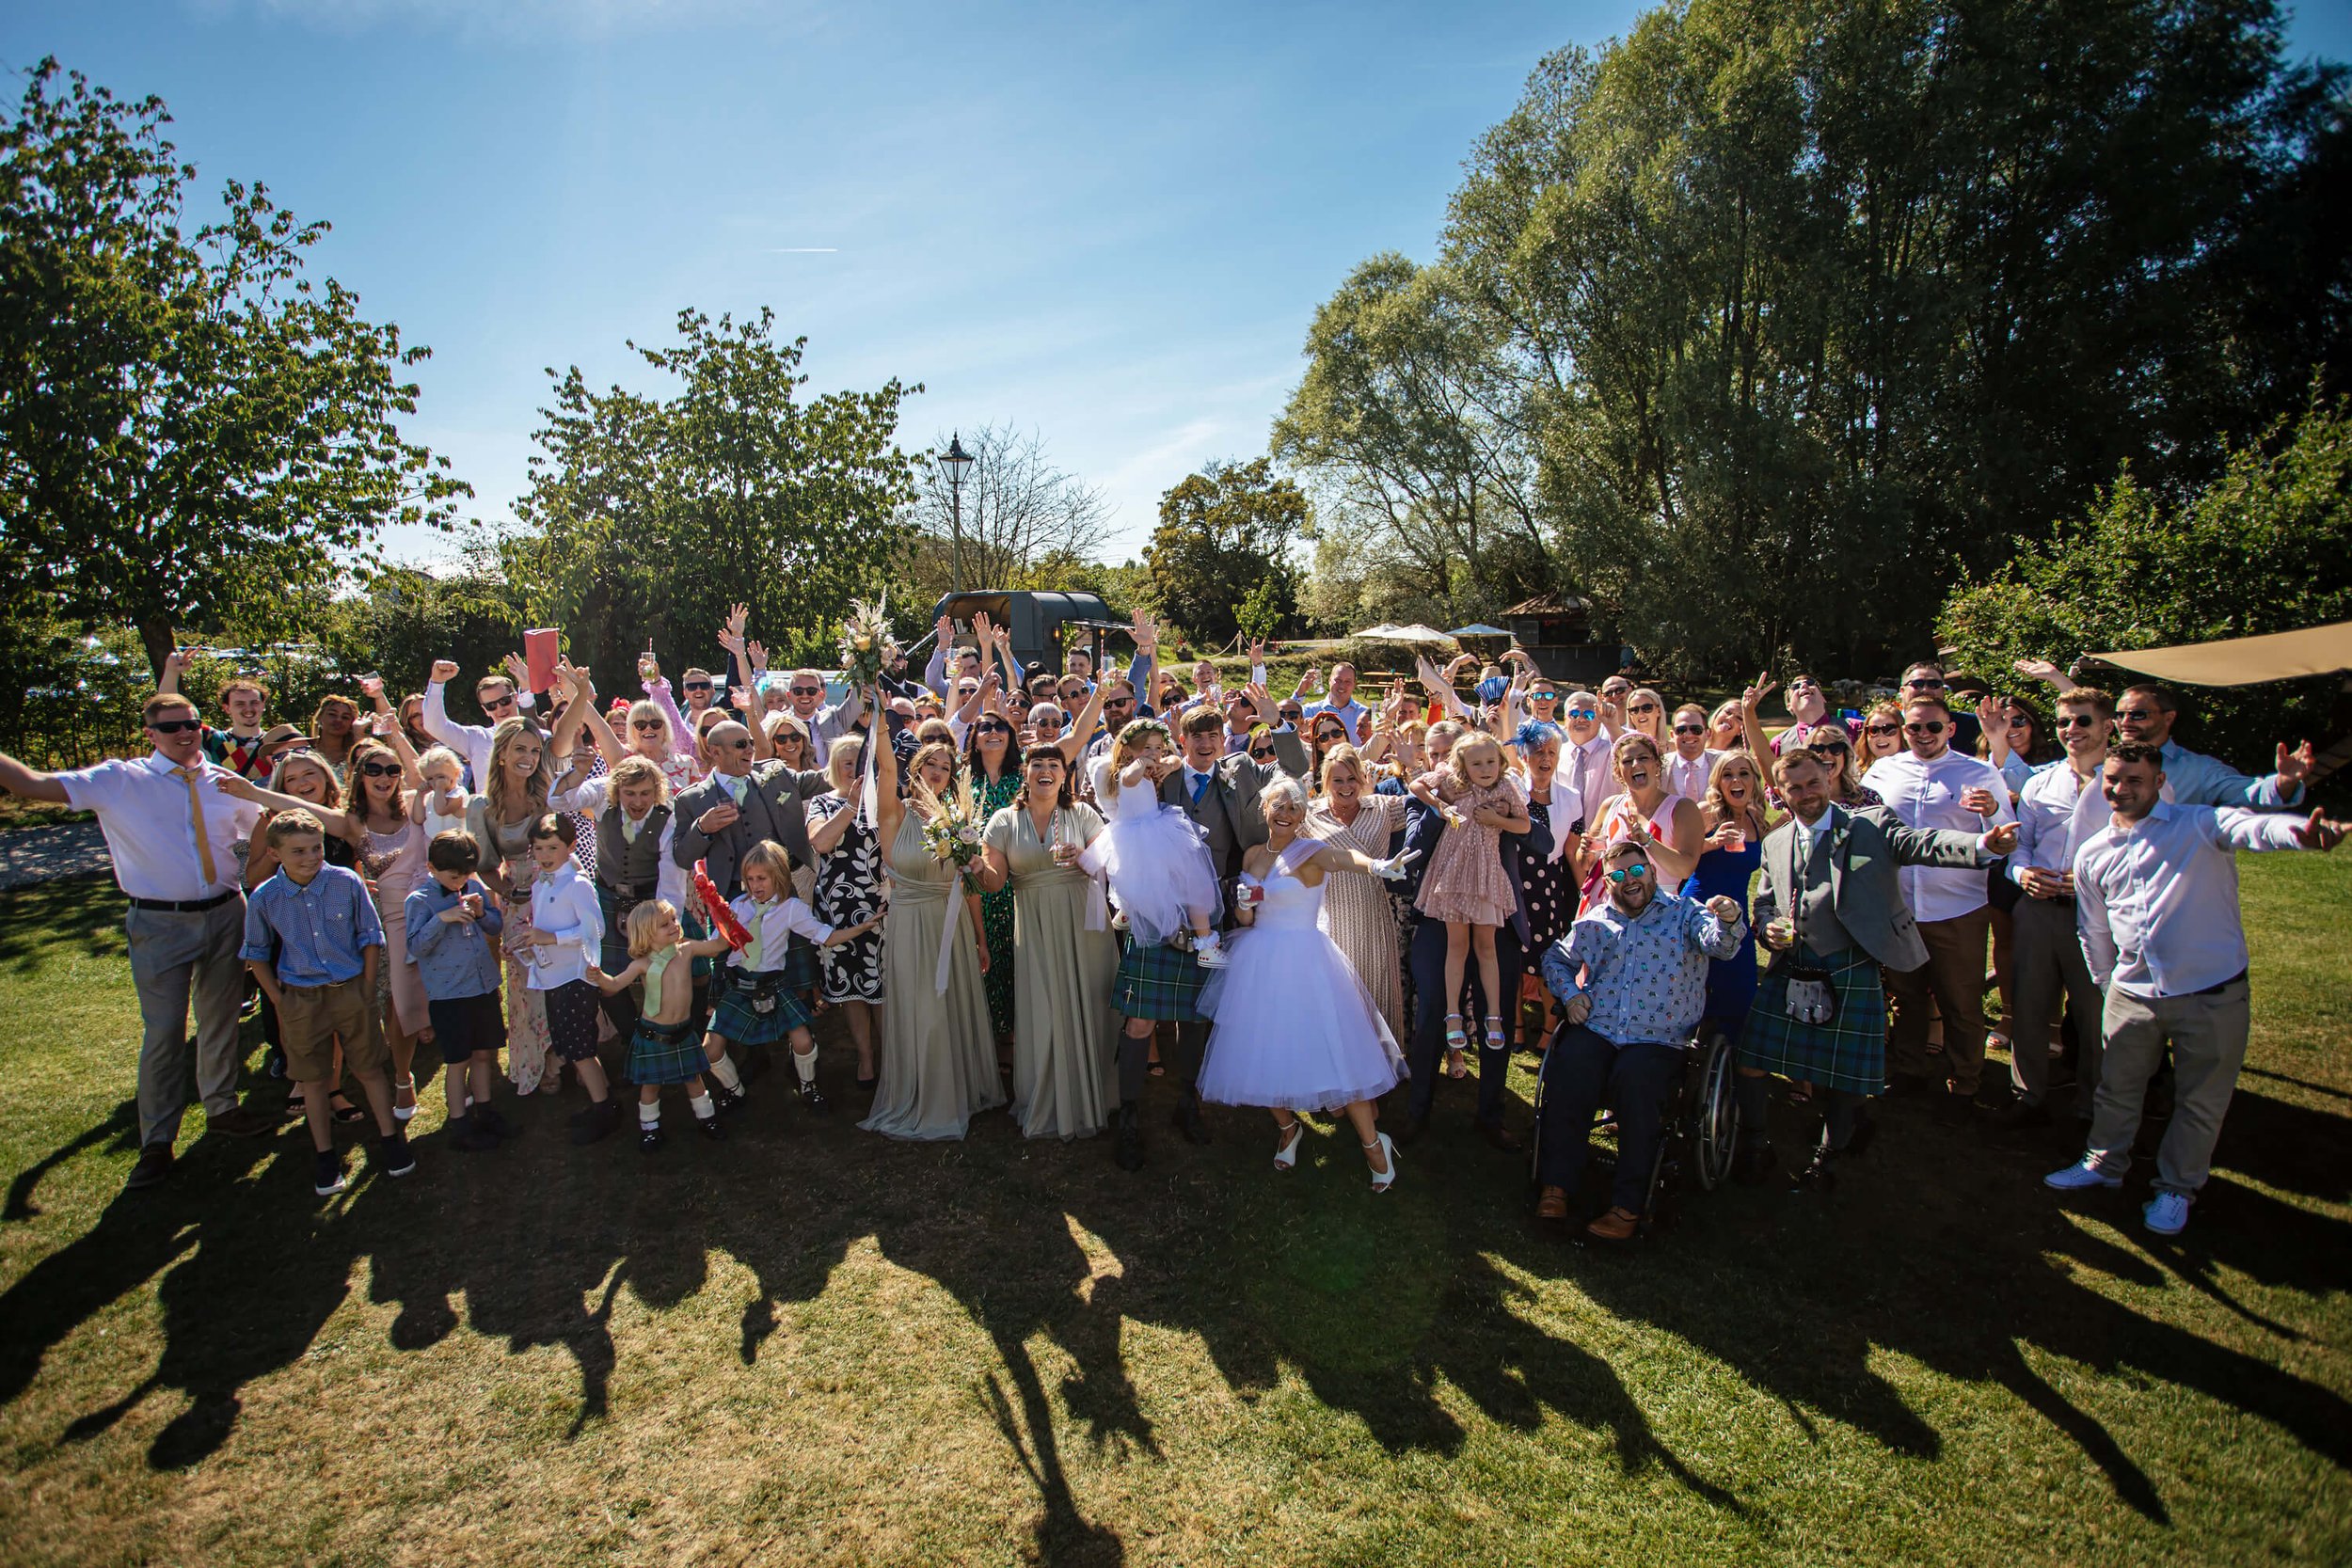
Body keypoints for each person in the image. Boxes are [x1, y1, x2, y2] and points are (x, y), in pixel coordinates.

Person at [2043, 742, 2344, 1235]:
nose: (2120, 790)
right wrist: (2107, 985)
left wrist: (2302, 835)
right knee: (2117, 1089)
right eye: (2112, 780)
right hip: (2131, 995)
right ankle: (2104, 1164)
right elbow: (2093, 929)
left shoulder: (2201, 824)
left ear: (2160, 783)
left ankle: (2176, 1189)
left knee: (2201, 1101)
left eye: (2134, 781)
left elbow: (2254, 827)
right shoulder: (2094, 852)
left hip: (2211, 994)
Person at [0, 692, 278, 1189]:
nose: (184, 732)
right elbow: (30, 784)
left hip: (224, 913)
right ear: (150, 734)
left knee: (220, 1022)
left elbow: (254, 835)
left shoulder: (222, 782)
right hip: (158, 922)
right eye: (171, 727)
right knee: (164, 1033)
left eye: (191, 723)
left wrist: (262, 846)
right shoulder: (118, 780)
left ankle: (221, 1108)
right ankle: (157, 1140)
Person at [1733, 748, 2015, 1189]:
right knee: (1751, 1058)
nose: (1805, 794)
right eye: (1794, 788)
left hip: (1852, 962)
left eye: (1812, 783)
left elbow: (1923, 843)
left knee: (1843, 1073)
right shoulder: (1776, 840)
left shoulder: (1871, 824)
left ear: (1828, 779)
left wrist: (1982, 845)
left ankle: (1829, 1155)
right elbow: (1766, 901)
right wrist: (1768, 929)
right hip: (1794, 965)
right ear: (1780, 794)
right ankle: (1755, 1144)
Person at [1196, 778, 1414, 1188]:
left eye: (1293, 808)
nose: (1284, 813)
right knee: (1260, 1051)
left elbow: (1345, 857)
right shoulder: (1254, 855)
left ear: (1303, 815)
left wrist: (1377, 866)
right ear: (1265, 810)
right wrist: (1244, 904)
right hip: (1259, 960)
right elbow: (1246, 920)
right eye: (1277, 806)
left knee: (1336, 1052)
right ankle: (1287, 1128)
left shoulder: (1311, 852)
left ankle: (1373, 1143)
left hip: (1307, 961)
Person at [1113, 705, 1310, 1160]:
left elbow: (1297, 770)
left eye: (1213, 736)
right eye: (1195, 737)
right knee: (1141, 1016)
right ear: (1182, 741)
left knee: (1198, 1015)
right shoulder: (1163, 773)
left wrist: (1275, 723)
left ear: (1224, 740)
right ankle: (1128, 1115)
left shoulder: (1241, 773)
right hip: (1160, 911)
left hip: (1216, 913)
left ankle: (1188, 1102)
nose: (1205, 744)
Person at [1536, 837, 1747, 1239]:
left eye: (1636, 870)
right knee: (1570, 1072)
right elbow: (1555, 960)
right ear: (1608, 881)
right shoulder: (1596, 920)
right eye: (1617, 875)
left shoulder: (1685, 914)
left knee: (1638, 1085)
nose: (1628, 880)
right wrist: (1571, 993)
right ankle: (1556, 1185)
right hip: (1600, 1028)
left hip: (1658, 1037)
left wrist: (1730, 918)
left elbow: (1721, 946)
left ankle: (1627, 1206)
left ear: (1651, 871)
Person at [240, 808, 414, 1196]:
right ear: (275, 854)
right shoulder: (265, 897)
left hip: (350, 989)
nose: (310, 857)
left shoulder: (345, 882)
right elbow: (255, 951)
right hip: (300, 998)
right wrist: (279, 1000)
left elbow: (370, 935)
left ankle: (390, 1137)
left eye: (315, 848)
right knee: (314, 1079)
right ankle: (324, 1153)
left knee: (369, 1067)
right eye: (298, 851)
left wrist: (367, 988)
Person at [1861, 694, 2018, 1110]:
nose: (1923, 735)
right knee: (1906, 997)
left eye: (1933, 727)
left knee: (1961, 1003)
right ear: (1902, 730)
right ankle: (1909, 1070)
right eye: (1914, 727)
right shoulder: (1883, 772)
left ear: (1950, 729)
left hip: (1957, 908)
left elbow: (2006, 839)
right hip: (1898, 907)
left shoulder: (1979, 772)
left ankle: (1965, 1083)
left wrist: (1990, 814)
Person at [861, 736, 1002, 1141]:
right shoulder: (894, 813)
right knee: (921, 1003)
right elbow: (885, 769)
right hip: (910, 921)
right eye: (930, 764)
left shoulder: (958, 820)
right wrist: (881, 718)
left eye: (945, 766)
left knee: (951, 1001)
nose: (938, 772)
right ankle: (923, 1095)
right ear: (915, 770)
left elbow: (969, 885)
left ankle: (960, 1090)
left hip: (950, 922)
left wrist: (980, 938)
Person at [977, 745, 1120, 1142]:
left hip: (1082, 922)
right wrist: (973, 866)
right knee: (1043, 1006)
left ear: (1064, 774)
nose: (1045, 770)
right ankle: (1046, 1098)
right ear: (1025, 773)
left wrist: (1083, 856)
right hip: (1035, 924)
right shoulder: (1004, 820)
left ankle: (1091, 1096)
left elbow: (1110, 861)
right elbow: (995, 882)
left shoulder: (1083, 814)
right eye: (1036, 764)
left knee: (1088, 1004)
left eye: (1053, 765)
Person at [1997, 687, 2113, 1130]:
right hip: (2038, 909)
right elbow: (2020, 846)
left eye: (2082, 721)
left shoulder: (2120, 784)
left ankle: (2093, 1105)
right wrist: (2021, 874)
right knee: (2029, 1004)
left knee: (2095, 1013)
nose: (2072, 731)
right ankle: (2026, 1095)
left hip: (2096, 915)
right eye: (2064, 722)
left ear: (2108, 727)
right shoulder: (2041, 782)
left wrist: (2088, 881)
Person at [704, 840, 878, 1122]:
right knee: (710, 1049)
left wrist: (861, 928)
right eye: (750, 879)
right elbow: (714, 947)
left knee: (803, 1041)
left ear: (779, 877)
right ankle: (734, 1090)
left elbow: (826, 936)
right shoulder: (737, 905)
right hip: (738, 986)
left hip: (772, 985)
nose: (755, 885)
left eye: (762, 878)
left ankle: (808, 1086)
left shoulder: (792, 909)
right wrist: (687, 944)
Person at [1407, 731, 1534, 1076]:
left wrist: (1498, 821)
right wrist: (1440, 805)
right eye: (1477, 763)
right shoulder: (1451, 781)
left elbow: (1524, 824)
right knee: (1457, 946)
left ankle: (1493, 1014)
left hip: (1486, 876)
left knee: (1486, 947)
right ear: (1462, 763)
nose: (1485, 768)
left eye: (1491, 761)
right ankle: (1453, 1016)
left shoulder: (1506, 786)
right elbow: (1417, 785)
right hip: (1451, 875)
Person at [588, 901, 737, 1151]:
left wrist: (726, 921)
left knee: (694, 1079)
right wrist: (600, 977)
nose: (674, 926)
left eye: (673, 920)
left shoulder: (686, 950)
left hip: (683, 1032)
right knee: (650, 1086)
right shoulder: (642, 964)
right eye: (664, 924)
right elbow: (613, 986)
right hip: (654, 1036)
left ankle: (707, 1119)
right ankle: (650, 1129)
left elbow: (718, 947)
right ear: (646, 933)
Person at [463, 718, 560, 1096]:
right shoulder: (482, 805)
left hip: (555, 885)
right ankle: (539, 1056)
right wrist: (509, 890)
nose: (529, 758)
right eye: (520, 749)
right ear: (501, 754)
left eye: (535, 751)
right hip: (517, 895)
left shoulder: (544, 793)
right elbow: (484, 863)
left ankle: (563, 1052)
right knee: (527, 981)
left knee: (562, 968)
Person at [513, 813, 623, 1144]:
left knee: (581, 1048)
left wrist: (550, 938)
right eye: (539, 848)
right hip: (552, 977)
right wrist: (525, 944)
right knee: (572, 1046)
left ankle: (605, 1109)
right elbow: (542, 928)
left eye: (553, 848)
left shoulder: (577, 884)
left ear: (570, 846)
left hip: (576, 977)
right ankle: (600, 1102)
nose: (545, 856)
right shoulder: (539, 885)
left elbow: (595, 930)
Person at [403, 831, 514, 1152]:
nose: (460, 881)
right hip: (450, 996)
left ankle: (485, 1109)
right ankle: (460, 1122)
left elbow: (495, 927)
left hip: (482, 988)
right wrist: (442, 919)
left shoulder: (475, 888)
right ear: (431, 868)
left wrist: (481, 913)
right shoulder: (420, 901)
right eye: (453, 876)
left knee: (483, 1053)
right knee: (458, 1060)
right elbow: (415, 946)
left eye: (466, 874)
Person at [343, 735, 434, 1122]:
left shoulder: (414, 807)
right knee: (390, 1000)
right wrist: (249, 790)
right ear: (359, 776)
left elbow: (425, 771)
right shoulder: (352, 821)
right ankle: (395, 1072)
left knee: (409, 1001)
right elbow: (298, 808)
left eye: (392, 769)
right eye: (374, 769)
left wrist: (394, 727)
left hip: (425, 910)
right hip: (383, 918)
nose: (385, 777)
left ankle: (405, 1074)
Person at [1089, 721, 1230, 966]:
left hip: (1154, 829)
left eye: (1157, 747)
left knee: (1179, 883)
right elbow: (1130, 779)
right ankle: (1205, 943)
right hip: (1144, 835)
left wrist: (1167, 763)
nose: (1154, 753)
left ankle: (1127, 912)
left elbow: (1176, 761)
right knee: (1178, 883)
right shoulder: (1127, 772)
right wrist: (1142, 763)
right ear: (1127, 750)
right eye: (1147, 748)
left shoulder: (1154, 765)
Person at [1304, 745, 1409, 1037]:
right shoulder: (1310, 814)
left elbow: (1422, 804)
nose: (1346, 787)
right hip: (1331, 911)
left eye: (1352, 779)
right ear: (1326, 781)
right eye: (1338, 780)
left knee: (1378, 980)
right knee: (1338, 986)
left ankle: (1385, 1057)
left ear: (1362, 778)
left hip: (1373, 909)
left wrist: (1412, 765)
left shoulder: (1383, 807)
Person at [804, 739, 888, 1090]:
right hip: (840, 909)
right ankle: (866, 1057)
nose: (854, 768)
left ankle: (891, 1058)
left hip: (883, 904)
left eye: (861, 762)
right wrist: (849, 807)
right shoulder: (823, 803)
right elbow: (821, 843)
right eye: (847, 762)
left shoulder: (884, 802)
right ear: (835, 765)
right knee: (853, 988)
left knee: (884, 985)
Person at [1681, 750, 1771, 1040]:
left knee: (1741, 987)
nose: (1736, 780)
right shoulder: (1706, 811)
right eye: (1727, 775)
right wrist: (1711, 842)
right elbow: (1680, 860)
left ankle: (1727, 1056)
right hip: (1700, 905)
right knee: (1694, 983)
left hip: (1738, 912)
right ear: (1718, 782)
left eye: (1743, 773)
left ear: (1754, 781)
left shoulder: (1758, 819)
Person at [2111, 683, 2311, 807]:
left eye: (2138, 714)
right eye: (2119, 715)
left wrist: (2284, 782)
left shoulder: (2199, 769)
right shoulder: (2099, 762)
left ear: (2169, 717)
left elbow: (2247, 792)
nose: (2125, 721)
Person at [1581, 733, 1705, 911]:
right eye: (1627, 761)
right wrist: (1585, 850)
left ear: (1657, 764)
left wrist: (1647, 841)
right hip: (1607, 907)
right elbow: (1585, 863)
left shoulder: (1682, 809)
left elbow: (1685, 868)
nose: (1636, 764)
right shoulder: (1610, 806)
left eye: (1643, 758)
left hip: (1659, 909)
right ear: (1618, 771)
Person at [965, 705, 1025, 1053]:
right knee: (982, 955)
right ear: (974, 740)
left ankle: (1017, 1037)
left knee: (1015, 957)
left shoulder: (1023, 777)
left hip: (1015, 881)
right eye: (984, 726)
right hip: (975, 885)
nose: (992, 731)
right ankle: (986, 1040)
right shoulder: (962, 780)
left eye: (1000, 726)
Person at [155, 649, 275, 779]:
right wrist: (172, 671)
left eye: (254, 703)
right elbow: (169, 708)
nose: (248, 709)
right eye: (240, 704)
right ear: (227, 708)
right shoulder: (211, 740)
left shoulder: (278, 743)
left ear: (263, 705)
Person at [422, 659, 534, 788]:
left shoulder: (539, 734)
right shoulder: (478, 738)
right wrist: (436, 683)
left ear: (516, 698)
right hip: (492, 807)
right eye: (491, 706)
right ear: (485, 710)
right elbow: (435, 726)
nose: (500, 708)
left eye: (504, 701)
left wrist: (527, 689)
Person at [1664, 704, 1724, 802]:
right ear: (1672, 735)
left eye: (1696, 730)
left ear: (1708, 733)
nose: (1688, 735)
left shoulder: (1723, 762)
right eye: (1681, 730)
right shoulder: (1658, 766)